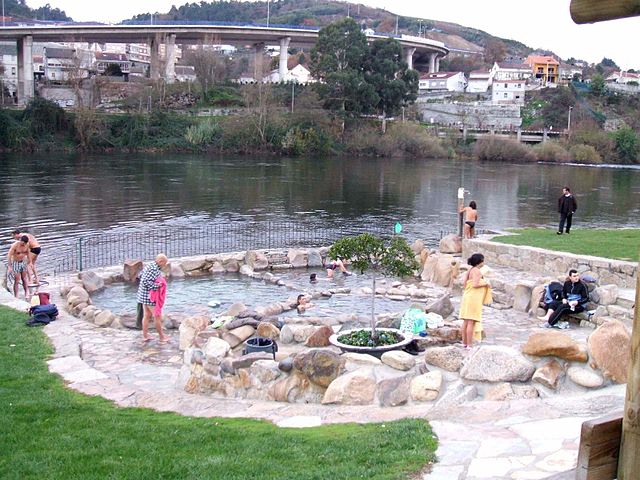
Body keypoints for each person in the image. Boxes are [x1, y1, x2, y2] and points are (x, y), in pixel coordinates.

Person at [459, 253, 492, 350]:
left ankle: (464, 343)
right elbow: (475, 284)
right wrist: (485, 284)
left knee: (465, 321)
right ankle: (469, 344)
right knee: (471, 322)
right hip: (473, 298)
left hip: (467, 296)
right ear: (479, 262)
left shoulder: (469, 270)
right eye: (483, 260)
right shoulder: (477, 271)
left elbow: (465, 284)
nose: (483, 262)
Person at [136, 253, 170, 343]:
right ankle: (162, 337)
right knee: (157, 316)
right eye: (164, 263)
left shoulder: (150, 265)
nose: (165, 265)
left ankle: (145, 335)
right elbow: (145, 281)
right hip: (149, 297)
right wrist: (157, 286)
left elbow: (140, 276)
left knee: (146, 315)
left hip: (143, 295)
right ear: (160, 261)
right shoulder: (154, 269)